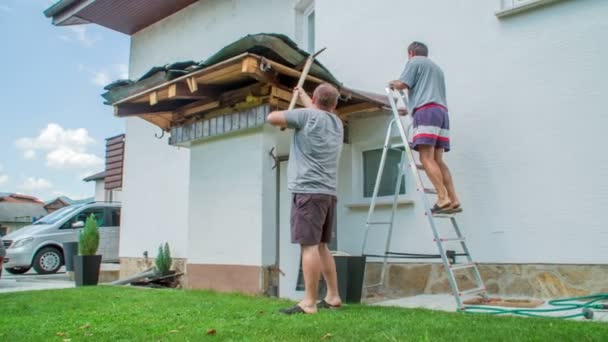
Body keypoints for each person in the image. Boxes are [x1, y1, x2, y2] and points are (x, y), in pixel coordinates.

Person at [267, 83, 343, 314]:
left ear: (315, 99)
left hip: (308, 192)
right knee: (322, 246)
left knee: (308, 246)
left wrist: (294, 111)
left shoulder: (305, 116)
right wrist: (301, 96)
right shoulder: (336, 123)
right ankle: (333, 296)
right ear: (335, 104)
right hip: (328, 193)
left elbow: (272, 117)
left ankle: (309, 302)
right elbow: (315, 111)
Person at [389, 41, 462, 214]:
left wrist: (392, 84)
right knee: (438, 159)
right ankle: (453, 199)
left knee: (425, 158)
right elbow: (425, 92)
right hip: (441, 114)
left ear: (411, 53)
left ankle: (442, 198)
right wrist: (410, 110)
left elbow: (402, 84)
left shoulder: (415, 62)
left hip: (426, 112)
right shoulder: (437, 70)